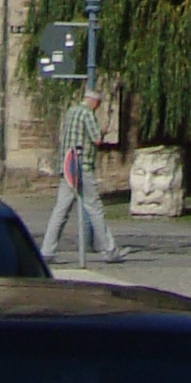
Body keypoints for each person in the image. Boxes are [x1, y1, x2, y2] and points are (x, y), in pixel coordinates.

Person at [40, 85, 119, 261]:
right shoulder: (87, 114)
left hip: (68, 167)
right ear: (94, 101)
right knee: (94, 208)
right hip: (83, 168)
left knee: (61, 210)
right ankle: (109, 249)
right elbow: (96, 139)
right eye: (98, 103)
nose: (98, 106)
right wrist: (102, 131)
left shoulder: (71, 112)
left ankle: (47, 250)